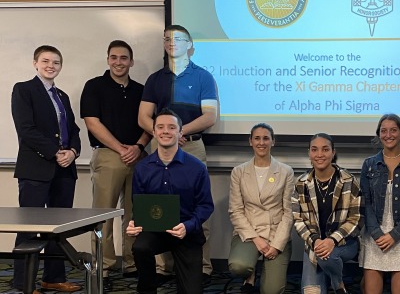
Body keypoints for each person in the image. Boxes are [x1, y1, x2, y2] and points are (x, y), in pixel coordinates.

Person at [138, 24, 218, 281]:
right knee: (157, 206)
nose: (172, 43)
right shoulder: (155, 79)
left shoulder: (203, 77)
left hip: (191, 145)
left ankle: (201, 266)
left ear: (190, 45)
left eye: (179, 39)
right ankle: (165, 267)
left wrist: (177, 133)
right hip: (158, 147)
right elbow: (143, 117)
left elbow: (210, 116)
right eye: (168, 39)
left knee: (195, 207)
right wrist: (164, 134)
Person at [80, 40, 151, 289]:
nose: (118, 62)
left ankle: (132, 263)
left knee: (136, 214)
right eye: (114, 57)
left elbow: (149, 123)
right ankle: (104, 266)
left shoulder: (142, 90)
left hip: (139, 156)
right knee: (103, 216)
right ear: (108, 59)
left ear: (131, 61)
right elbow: (92, 122)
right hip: (109, 155)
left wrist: (138, 147)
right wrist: (121, 148)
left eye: (124, 58)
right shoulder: (94, 86)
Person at [11, 45, 82, 292]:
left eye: (56, 62)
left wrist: (72, 152)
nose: (51, 66)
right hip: (36, 169)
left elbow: (74, 130)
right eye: (46, 61)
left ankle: (53, 278)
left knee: (57, 231)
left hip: (64, 170)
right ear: (35, 63)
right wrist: (55, 152)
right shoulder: (23, 90)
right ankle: (23, 282)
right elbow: (26, 129)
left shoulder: (62, 96)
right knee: (29, 228)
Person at [127, 108, 214, 294]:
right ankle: (147, 289)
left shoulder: (197, 168)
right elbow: (139, 203)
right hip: (155, 232)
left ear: (180, 133)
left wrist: (188, 226)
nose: (165, 131)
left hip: (186, 233)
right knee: (140, 247)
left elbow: (206, 205)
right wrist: (136, 223)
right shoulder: (142, 168)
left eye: (171, 127)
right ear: (154, 132)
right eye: (160, 127)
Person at [359, 113, 400, 294]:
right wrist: (377, 233)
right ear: (379, 134)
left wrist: (394, 234)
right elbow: (365, 202)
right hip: (374, 235)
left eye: (393, 130)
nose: (389, 135)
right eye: (384, 131)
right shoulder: (369, 164)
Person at [292, 133, 363, 294]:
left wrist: (331, 240)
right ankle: (335, 279)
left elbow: (356, 219)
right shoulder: (301, 184)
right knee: (311, 292)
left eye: (325, 149)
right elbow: (298, 220)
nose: (319, 154)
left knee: (329, 257)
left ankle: (337, 284)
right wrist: (316, 241)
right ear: (309, 153)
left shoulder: (348, 181)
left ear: (333, 152)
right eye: (314, 150)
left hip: (345, 243)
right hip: (314, 246)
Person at [228, 123, 295, 294]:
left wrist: (276, 245)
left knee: (272, 291)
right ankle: (249, 275)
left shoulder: (286, 171)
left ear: (273, 141)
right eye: (257, 138)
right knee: (239, 267)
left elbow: (288, 213)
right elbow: (235, 211)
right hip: (250, 234)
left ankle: (265, 270)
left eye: (266, 138)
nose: (261, 142)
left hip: (276, 234)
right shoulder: (239, 172)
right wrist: (257, 240)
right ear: (250, 141)